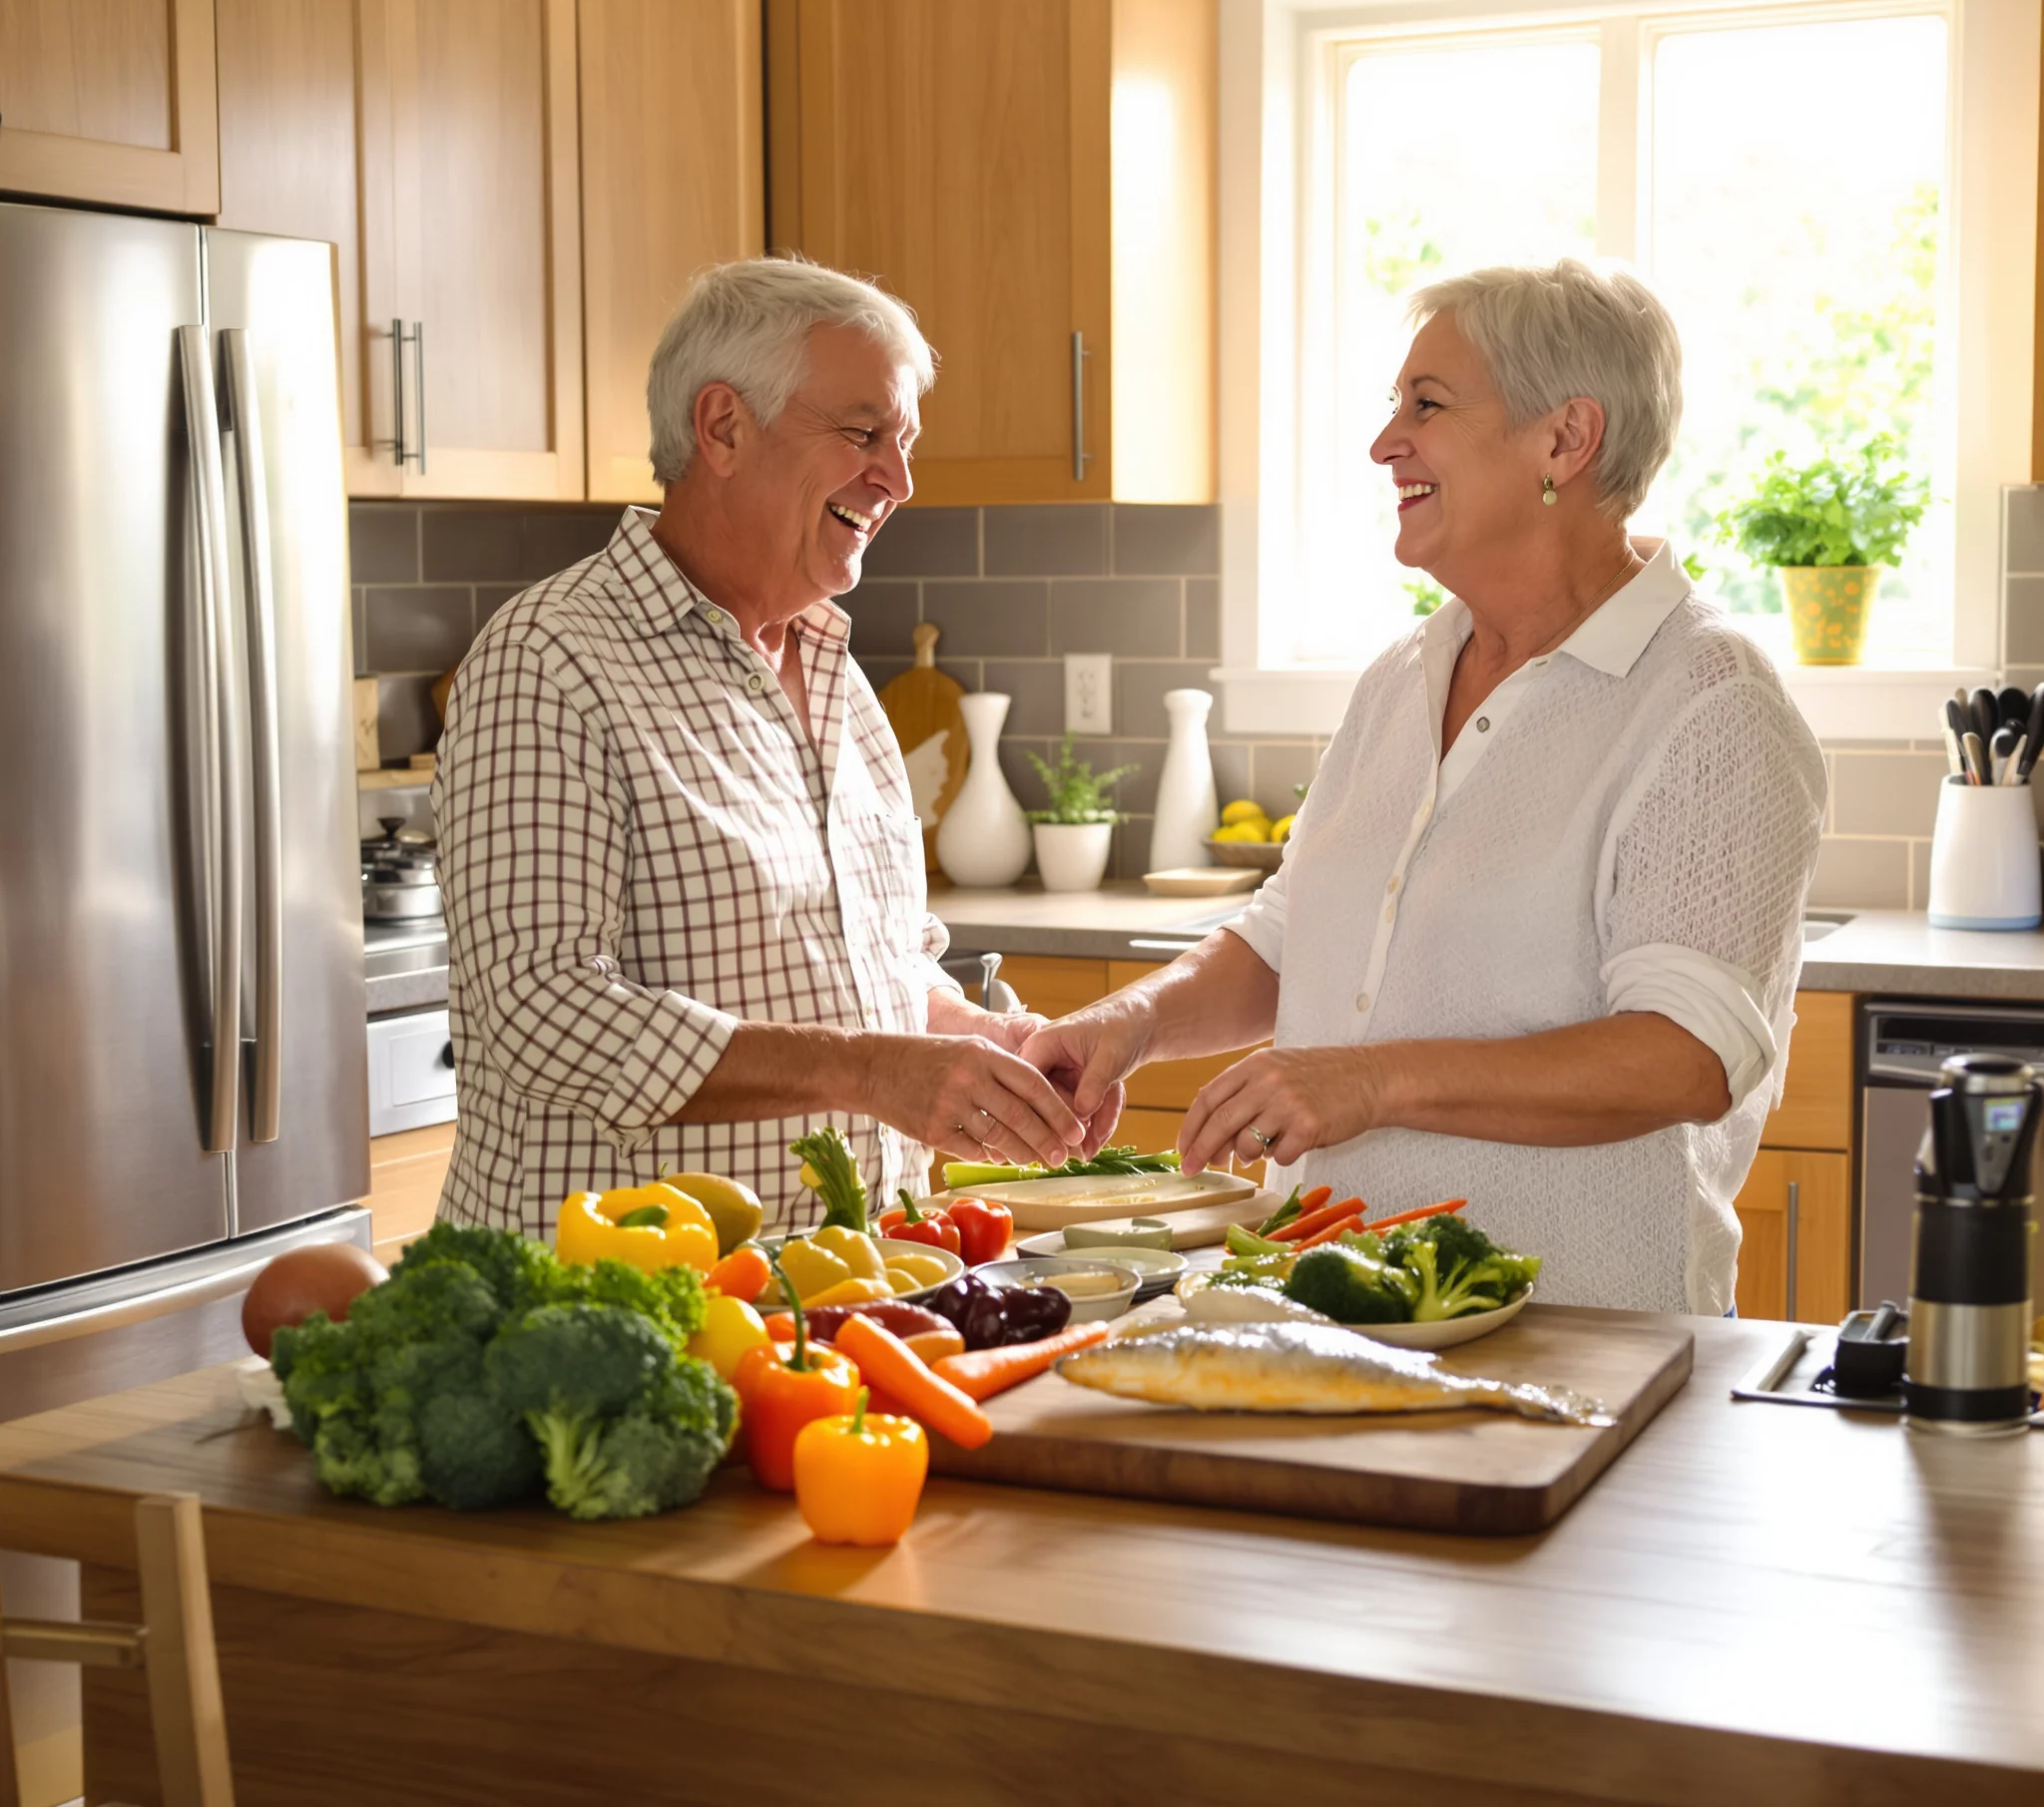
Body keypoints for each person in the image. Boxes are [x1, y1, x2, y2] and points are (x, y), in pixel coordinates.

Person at [1024, 260, 1824, 1314]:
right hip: (1331, 1307)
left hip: (1578, 1329)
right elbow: (1287, 931)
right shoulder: (1404, 674)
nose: (1383, 440)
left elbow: (1681, 1058)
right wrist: (1129, 1020)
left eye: (1427, 404)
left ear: (1563, 440)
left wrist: (1367, 1080)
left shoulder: (1709, 703)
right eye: (1393, 402)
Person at [432, 257, 1104, 1236]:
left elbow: (874, 972)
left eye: (904, 441)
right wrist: (871, 1071)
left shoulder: (837, 675)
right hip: (617, 1316)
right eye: (862, 432)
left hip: (839, 1298)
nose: (899, 479)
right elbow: (545, 1012)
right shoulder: (551, 660)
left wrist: (991, 1046)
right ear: (721, 427)